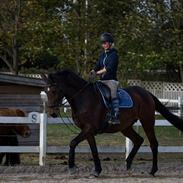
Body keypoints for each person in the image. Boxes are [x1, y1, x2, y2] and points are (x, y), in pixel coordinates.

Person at [89, 32, 120, 124]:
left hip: (111, 81)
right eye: (103, 43)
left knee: (113, 94)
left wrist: (97, 73)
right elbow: (98, 65)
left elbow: (109, 68)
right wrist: (93, 71)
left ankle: (116, 115)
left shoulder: (114, 55)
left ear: (110, 43)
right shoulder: (102, 55)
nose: (104, 45)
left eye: (106, 43)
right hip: (102, 81)